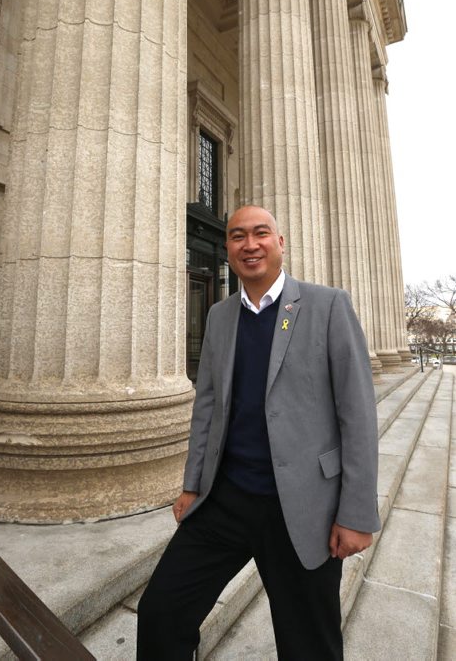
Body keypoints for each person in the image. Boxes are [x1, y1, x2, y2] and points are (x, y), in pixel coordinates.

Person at [137, 205, 381, 660]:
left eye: (261, 233)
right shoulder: (219, 316)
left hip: (304, 508)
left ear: (280, 243)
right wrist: (192, 484)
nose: (250, 244)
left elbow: (358, 414)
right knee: (160, 613)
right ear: (228, 249)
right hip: (225, 500)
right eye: (237, 236)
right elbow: (207, 406)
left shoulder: (328, 305)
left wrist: (357, 512)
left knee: (309, 644)